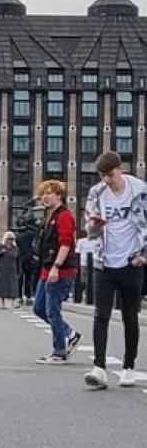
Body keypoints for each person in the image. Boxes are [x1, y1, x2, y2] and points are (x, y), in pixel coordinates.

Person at [83, 151, 147, 390]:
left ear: (121, 169)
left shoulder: (140, 191)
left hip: (131, 261)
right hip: (104, 261)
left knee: (130, 316)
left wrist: (144, 256)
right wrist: (94, 227)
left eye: (110, 174)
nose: (107, 180)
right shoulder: (96, 193)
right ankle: (99, 367)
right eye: (102, 175)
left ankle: (128, 367)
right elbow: (88, 230)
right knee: (101, 314)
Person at [33, 180, 81, 364]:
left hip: (60, 270)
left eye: (49, 193)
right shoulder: (49, 217)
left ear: (59, 196)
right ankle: (70, 333)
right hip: (47, 269)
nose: (45, 196)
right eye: (43, 193)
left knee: (53, 309)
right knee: (39, 307)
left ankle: (59, 351)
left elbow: (66, 243)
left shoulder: (64, 216)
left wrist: (57, 266)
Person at [0, 231, 19, 308]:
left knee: (13, 285)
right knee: (1, 285)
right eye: (9, 239)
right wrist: (1, 252)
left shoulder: (15, 248)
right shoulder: (0, 246)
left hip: (12, 268)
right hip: (1, 268)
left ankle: (13, 302)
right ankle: (2, 303)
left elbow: (16, 256)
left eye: (12, 239)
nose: (10, 241)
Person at [15, 220, 38, 306]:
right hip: (29, 257)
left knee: (20, 277)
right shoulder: (30, 234)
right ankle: (28, 296)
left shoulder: (17, 235)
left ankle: (19, 297)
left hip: (20, 257)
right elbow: (36, 232)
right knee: (28, 278)